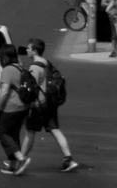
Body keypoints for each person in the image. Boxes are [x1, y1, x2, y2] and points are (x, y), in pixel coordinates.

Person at [18, 38, 80, 172]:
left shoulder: (34, 67)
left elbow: (31, 87)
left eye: (28, 48)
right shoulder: (47, 63)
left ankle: (21, 159)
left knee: (30, 132)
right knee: (55, 130)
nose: (27, 50)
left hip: (39, 105)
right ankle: (68, 158)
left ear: (34, 51)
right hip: (51, 103)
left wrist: (27, 102)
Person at [0, 46, 31, 175]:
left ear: (5, 57)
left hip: (11, 107)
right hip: (23, 107)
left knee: (1, 132)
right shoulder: (20, 67)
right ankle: (14, 165)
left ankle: (20, 158)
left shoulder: (8, 70)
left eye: (0, 56)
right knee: (13, 135)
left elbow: (4, 92)